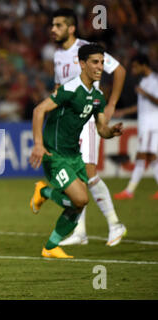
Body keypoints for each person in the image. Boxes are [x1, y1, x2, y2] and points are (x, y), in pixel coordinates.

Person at [29, 44, 123, 258]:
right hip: (55, 155)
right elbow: (39, 110)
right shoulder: (70, 89)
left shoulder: (98, 96)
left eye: (102, 62)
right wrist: (38, 145)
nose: (100, 66)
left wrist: (111, 131)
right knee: (80, 199)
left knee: (79, 204)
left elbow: (101, 129)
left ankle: (50, 247)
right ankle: (44, 191)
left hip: (74, 156)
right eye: (95, 62)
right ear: (82, 64)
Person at [50, 8, 127, 247]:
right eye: (52, 25)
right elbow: (58, 88)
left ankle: (115, 224)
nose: (53, 29)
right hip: (67, 124)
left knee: (89, 173)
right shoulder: (57, 56)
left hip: (86, 118)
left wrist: (111, 104)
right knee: (76, 177)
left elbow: (120, 70)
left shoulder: (87, 49)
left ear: (71, 28)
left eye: (58, 25)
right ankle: (80, 232)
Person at [114, 54, 158, 200]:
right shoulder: (144, 81)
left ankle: (129, 191)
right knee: (151, 157)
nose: (133, 69)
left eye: (135, 66)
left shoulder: (154, 80)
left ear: (143, 65)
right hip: (145, 124)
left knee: (142, 156)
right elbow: (140, 106)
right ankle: (129, 191)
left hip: (152, 124)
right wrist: (123, 112)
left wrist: (144, 93)